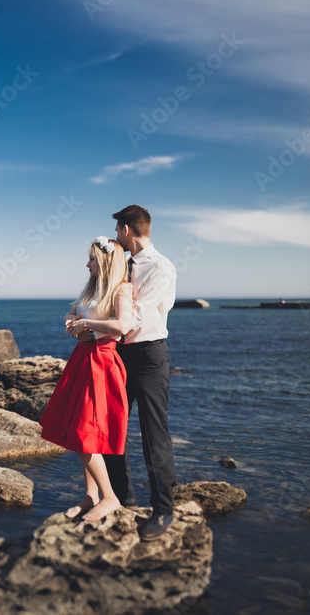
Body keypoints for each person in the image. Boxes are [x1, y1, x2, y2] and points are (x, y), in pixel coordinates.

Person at [39, 236, 133, 522]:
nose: (87, 263)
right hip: (82, 360)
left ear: (104, 262)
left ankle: (110, 498)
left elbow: (123, 325)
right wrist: (71, 320)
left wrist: (87, 323)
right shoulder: (91, 290)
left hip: (102, 364)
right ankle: (91, 496)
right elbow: (73, 311)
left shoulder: (121, 289)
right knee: (79, 433)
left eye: (92, 259)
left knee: (84, 435)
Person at [98, 204, 178, 541]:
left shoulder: (160, 267)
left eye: (118, 230)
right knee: (110, 427)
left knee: (153, 434)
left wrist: (95, 326)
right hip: (120, 354)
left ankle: (163, 510)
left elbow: (136, 315)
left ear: (126, 229)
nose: (117, 236)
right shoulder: (121, 263)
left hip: (148, 355)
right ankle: (122, 498)